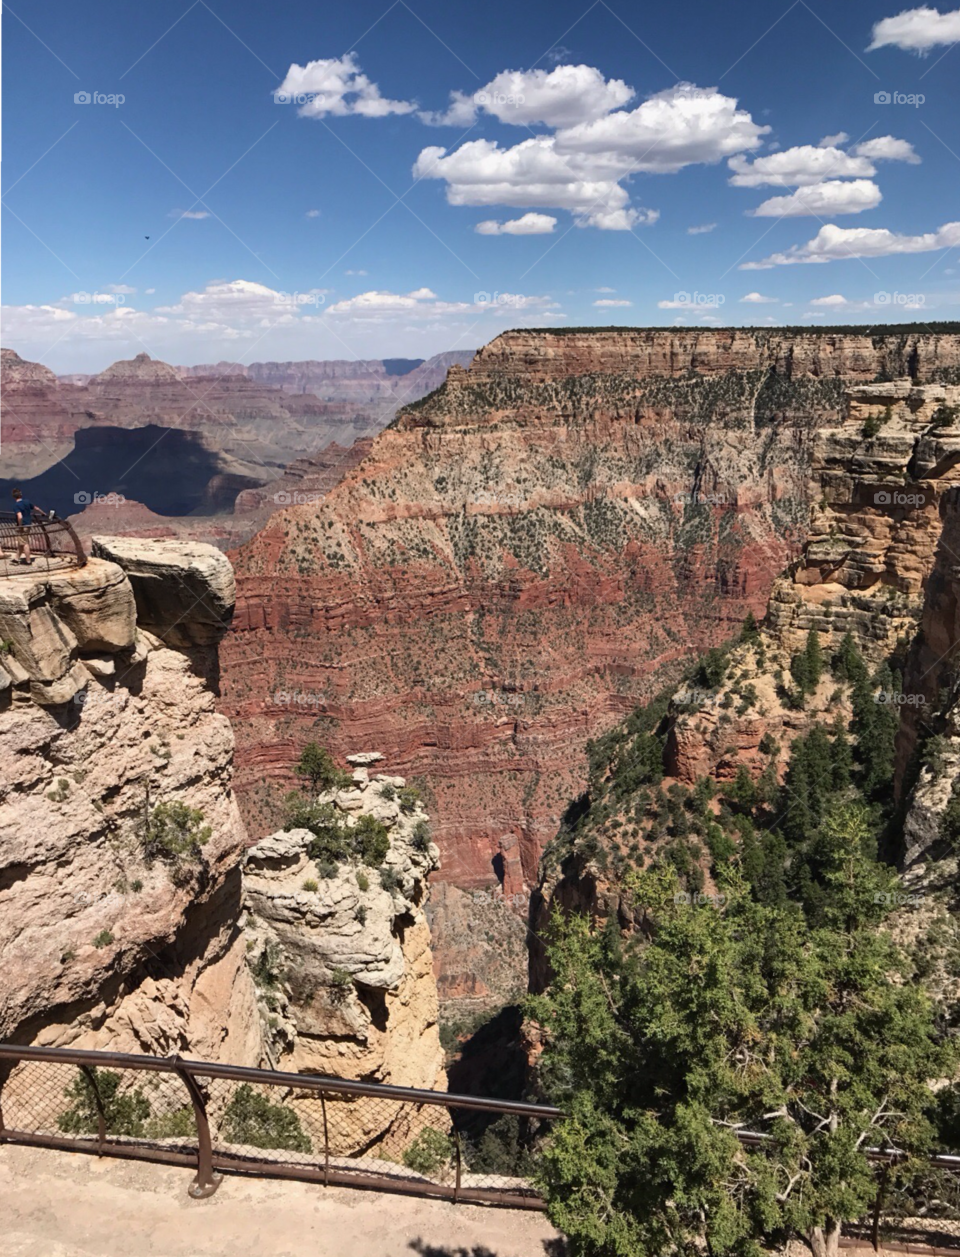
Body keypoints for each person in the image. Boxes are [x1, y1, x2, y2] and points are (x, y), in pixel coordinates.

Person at [11, 489, 47, 565]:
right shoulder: (27, 502)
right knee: (21, 542)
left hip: (22, 526)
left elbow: (20, 516)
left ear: (14, 497)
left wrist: (20, 526)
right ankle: (16, 558)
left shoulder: (16, 505)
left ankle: (28, 561)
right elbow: (36, 508)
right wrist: (43, 513)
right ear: (21, 495)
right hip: (28, 524)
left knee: (25, 543)